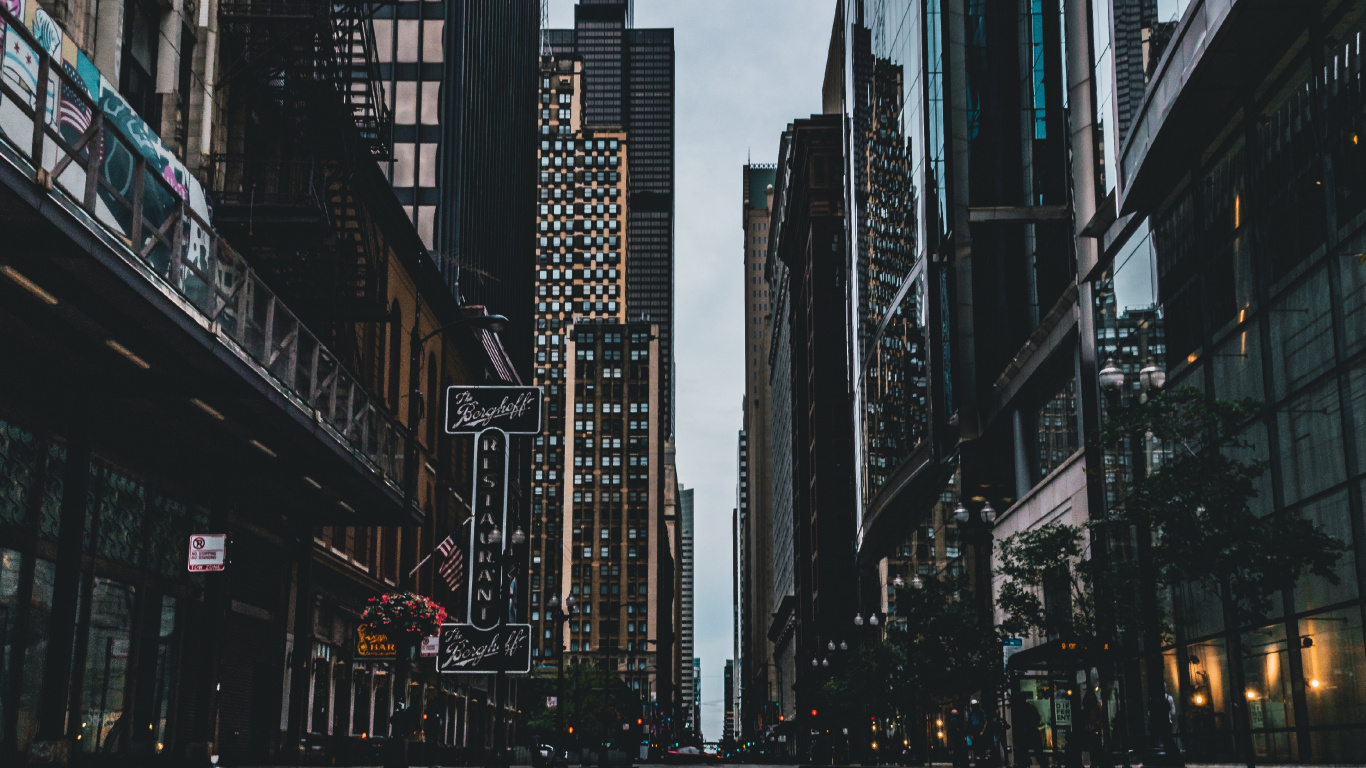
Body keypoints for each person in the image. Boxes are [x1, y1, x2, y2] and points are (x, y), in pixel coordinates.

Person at [1012, 697, 1048, 768]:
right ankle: (1043, 765)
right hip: (1032, 731)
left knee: (1024, 752)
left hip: (1025, 733)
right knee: (1038, 752)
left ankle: (1027, 764)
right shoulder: (1031, 708)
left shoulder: (1020, 710)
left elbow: (1017, 723)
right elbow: (1037, 719)